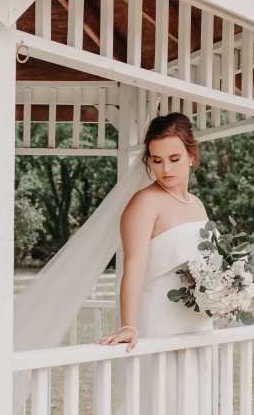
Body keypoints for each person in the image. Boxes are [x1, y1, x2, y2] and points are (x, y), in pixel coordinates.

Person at [96, 112, 214, 412]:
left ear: (191, 156)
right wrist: (128, 325)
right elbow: (133, 266)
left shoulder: (198, 204)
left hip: (198, 323)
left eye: (174, 158)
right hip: (159, 321)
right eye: (156, 160)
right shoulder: (144, 202)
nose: (165, 168)